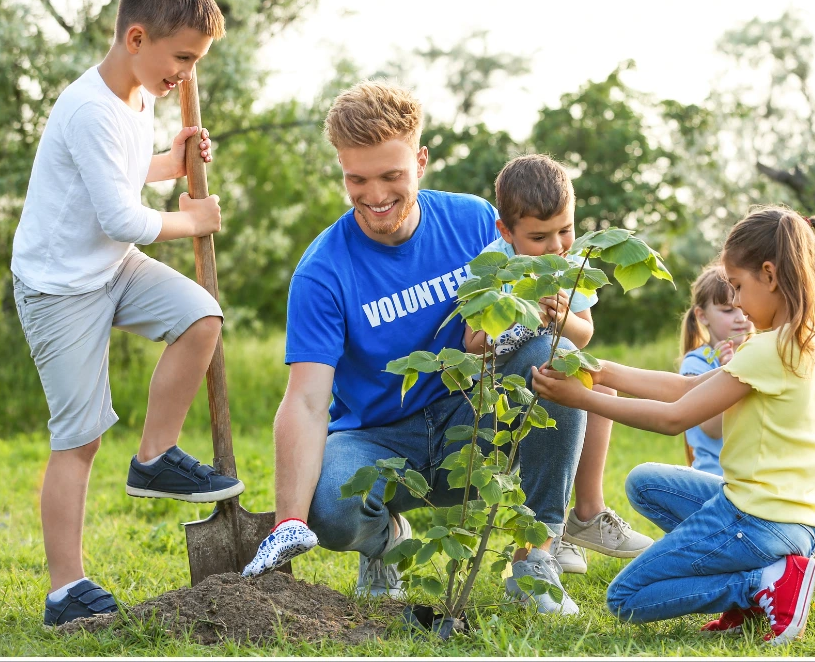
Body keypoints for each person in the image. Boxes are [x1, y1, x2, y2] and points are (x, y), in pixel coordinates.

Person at [241, 82, 587, 615]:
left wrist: (520, 327)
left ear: (420, 161)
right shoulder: (322, 272)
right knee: (329, 505)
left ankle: (536, 556)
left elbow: (552, 315)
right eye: (356, 178)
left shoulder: (475, 223)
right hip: (379, 439)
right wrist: (289, 520)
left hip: (471, 420)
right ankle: (386, 543)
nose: (375, 195)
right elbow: (307, 402)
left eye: (391, 176)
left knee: (558, 355)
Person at [10, 0, 233, 627]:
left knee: (200, 315)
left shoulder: (137, 97)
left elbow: (130, 176)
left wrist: (176, 159)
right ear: (136, 38)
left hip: (109, 268)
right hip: (60, 286)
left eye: (194, 61)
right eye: (182, 58)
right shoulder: (87, 109)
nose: (185, 74)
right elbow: (122, 218)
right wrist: (192, 218)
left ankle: (156, 457)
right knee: (77, 439)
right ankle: (63, 590)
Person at [533, 206, 815, 647]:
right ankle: (761, 585)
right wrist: (601, 370)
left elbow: (674, 418)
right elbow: (690, 386)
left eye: (737, 287)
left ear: (771, 275)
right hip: (797, 520)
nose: (735, 301)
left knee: (627, 597)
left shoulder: (766, 350)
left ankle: (759, 585)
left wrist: (581, 398)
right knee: (645, 483)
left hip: (759, 518)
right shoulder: (801, 338)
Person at [466, 154, 653, 576]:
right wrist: (523, 308)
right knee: (568, 370)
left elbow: (584, 333)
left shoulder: (571, 265)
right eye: (538, 237)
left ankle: (584, 516)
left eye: (565, 230)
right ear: (506, 232)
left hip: (550, 378)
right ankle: (543, 541)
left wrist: (563, 317)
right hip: (498, 393)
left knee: (599, 385)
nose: (555, 247)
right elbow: (473, 342)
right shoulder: (493, 267)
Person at [678, 264, 754, 476]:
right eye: (728, 310)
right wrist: (729, 371)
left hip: (751, 479)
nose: (740, 317)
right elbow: (712, 429)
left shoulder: (758, 353)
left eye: (744, 307)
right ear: (702, 316)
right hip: (714, 479)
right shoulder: (695, 364)